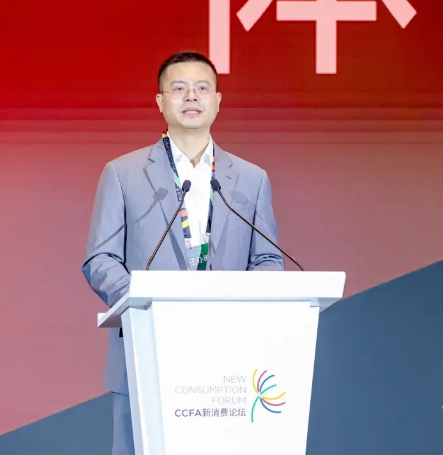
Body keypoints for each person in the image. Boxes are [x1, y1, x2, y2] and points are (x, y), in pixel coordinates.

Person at [81, 51, 285, 455]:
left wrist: (239, 300)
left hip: (229, 358)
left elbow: (268, 259)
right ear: (161, 102)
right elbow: (100, 259)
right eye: (179, 88)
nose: (191, 96)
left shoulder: (251, 178)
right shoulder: (122, 173)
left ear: (217, 101)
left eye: (201, 88)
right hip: (147, 350)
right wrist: (147, 302)